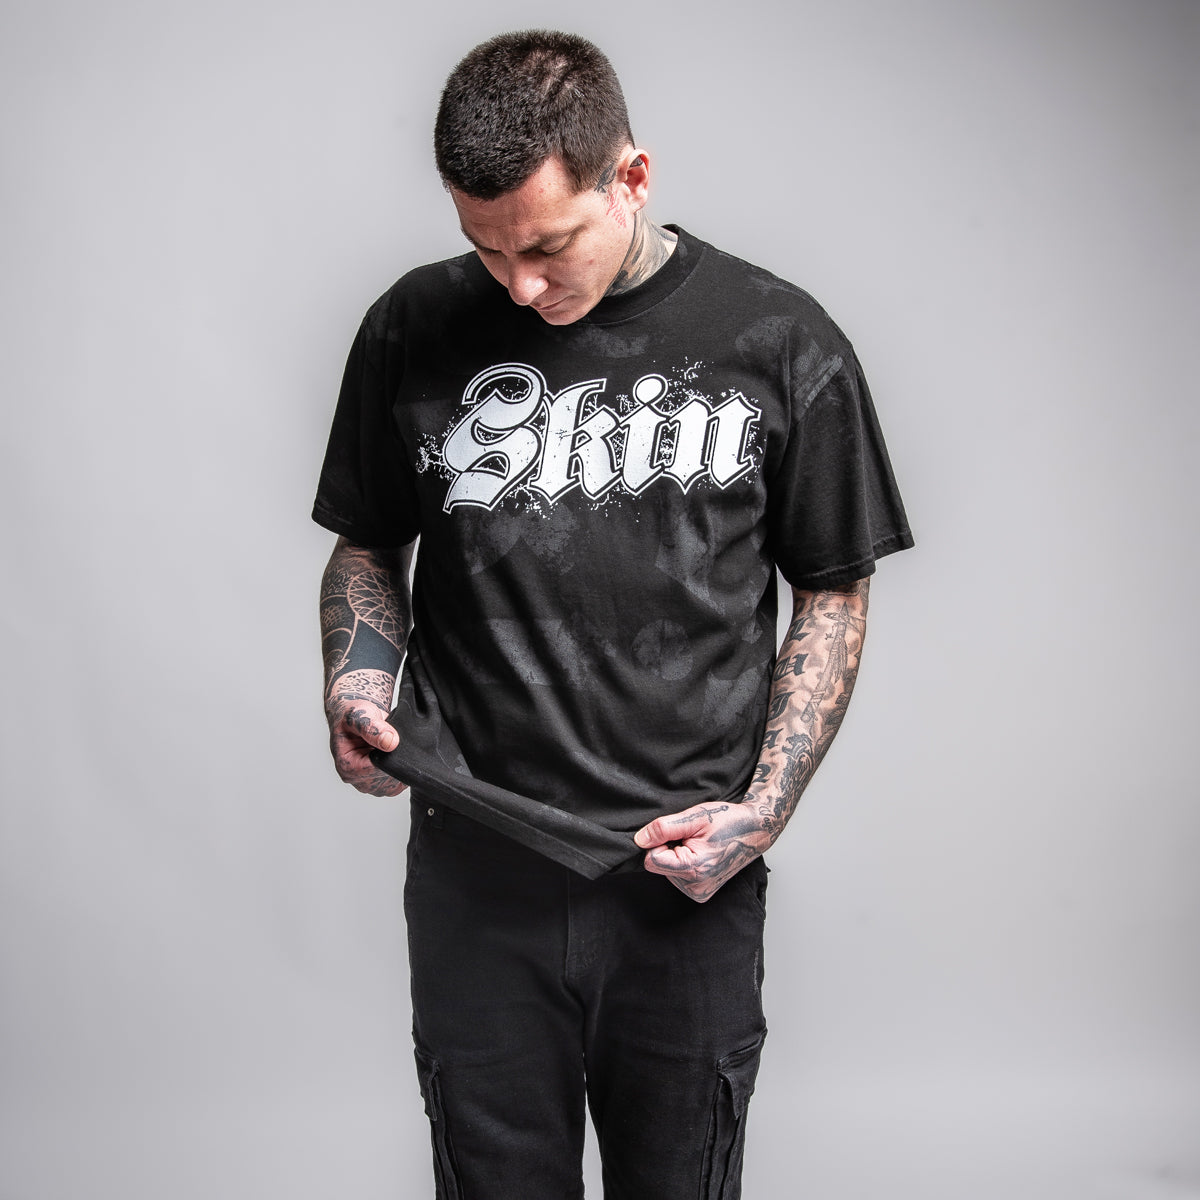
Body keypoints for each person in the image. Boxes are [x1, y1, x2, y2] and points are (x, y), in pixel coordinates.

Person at [313, 29, 912, 1200]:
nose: (519, 286)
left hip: (682, 877)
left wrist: (766, 807)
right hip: (476, 871)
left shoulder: (780, 341)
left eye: (547, 245)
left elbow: (832, 588)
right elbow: (369, 539)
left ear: (631, 177)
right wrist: (358, 674)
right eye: (486, 249)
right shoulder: (410, 327)